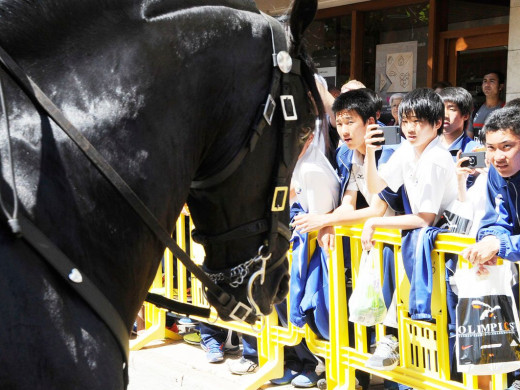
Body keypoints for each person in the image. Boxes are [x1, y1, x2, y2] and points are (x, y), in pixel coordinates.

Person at [361, 88, 458, 376]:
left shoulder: (437, 159)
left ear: (437, 123)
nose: (410, 128)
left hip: (448, 248)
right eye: (405, 121)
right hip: (426, 245)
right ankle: (393, 342)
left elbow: (424, 219)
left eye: (419, 121)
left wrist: (375, 222)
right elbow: (376, 187)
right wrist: (369, 152)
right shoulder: (408, 150)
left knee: (445, 328)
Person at [460, 106, 520, 390]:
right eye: (491, 148)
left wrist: (502, 244)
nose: (498, 156)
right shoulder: (497, 173)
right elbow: (494, 219)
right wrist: (490, 241)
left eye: (507, 146)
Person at [438, 87, 480, 155]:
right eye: (441, 109)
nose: (445, 115)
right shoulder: (427, 146)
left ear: (465, 115)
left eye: (451, 109)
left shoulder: (474, 151)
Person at [468, 70, 505, 140]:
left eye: (491, 81)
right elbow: (469, 139)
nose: (487, 85)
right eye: (485, 81)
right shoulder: (475, 112)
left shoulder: (506, 110)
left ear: (500, 86)